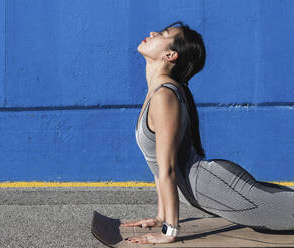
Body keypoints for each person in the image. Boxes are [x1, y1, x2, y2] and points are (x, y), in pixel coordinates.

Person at [120, 21, 294, 245]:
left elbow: (169, 168)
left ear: (170, 55)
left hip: (216, 187)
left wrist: (169, 231)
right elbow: (157, 166)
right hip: (211, 190)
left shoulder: (164, 97)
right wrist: (160, 217)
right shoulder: (158, 93)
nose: (153, 33)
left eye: (162, 34)